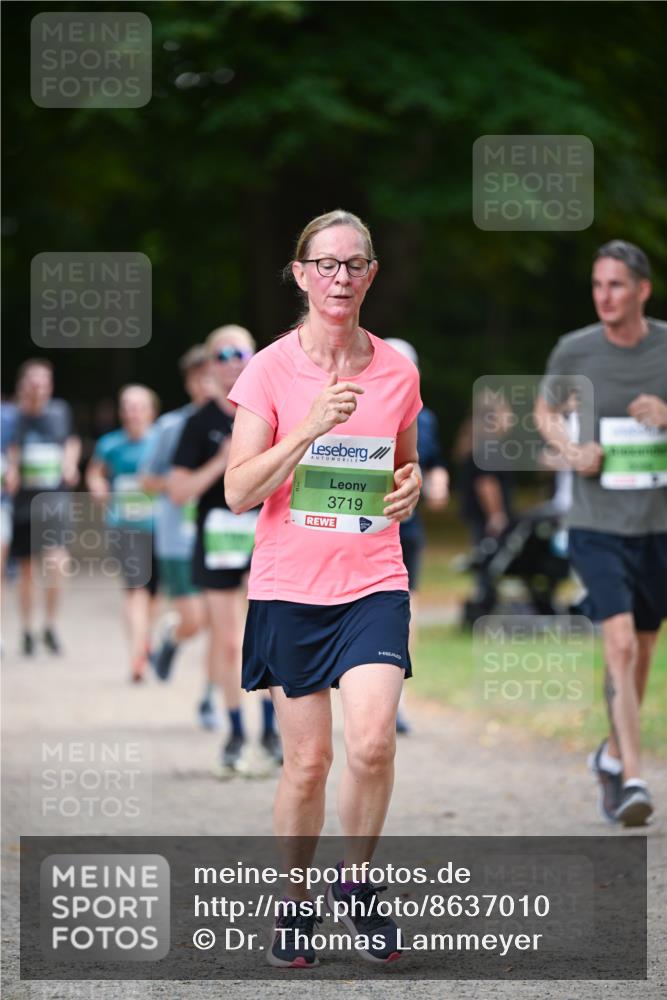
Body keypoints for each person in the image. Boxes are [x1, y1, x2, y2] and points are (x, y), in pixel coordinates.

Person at [225, 209, 423, 967]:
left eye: (353, 265)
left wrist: (406, 492)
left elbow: (401, 467)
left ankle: (358, 883)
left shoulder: (398, 372)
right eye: (325, 265)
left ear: (370, 275)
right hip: (290, 588)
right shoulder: (269, 370)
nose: (339, 278)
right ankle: (295, 900)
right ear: (301, 274)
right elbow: (239, 492)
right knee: (306, 763)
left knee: (371, 744)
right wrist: (305, 428)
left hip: (372, 580)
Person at [535, 239, 667, 827]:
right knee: (616, 644)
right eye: (597, 285)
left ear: (642, 289)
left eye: (616, 285)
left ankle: (610, 757)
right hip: (595, 524)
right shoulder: (575, 350)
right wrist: (571, 450)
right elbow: (544, 413)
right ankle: (635, 777)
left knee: (639, 654)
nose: (604, 296)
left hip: (657, 525)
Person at [169, 326, 281, 766]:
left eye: (241, 352)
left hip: (265, 535)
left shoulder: (272, 411)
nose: (233, 360)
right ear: (210, 364)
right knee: (230, 641)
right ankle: (235, 734)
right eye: (223, 354)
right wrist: (221, 461)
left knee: (269, 635)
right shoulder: (198, 423)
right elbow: (178, 491)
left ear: (254, 358)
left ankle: (272, 732)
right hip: (216, 538)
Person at [139, 347, 214, 716]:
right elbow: (147, 479)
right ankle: (172, 636)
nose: (206, 385)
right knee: (195, 621)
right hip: (177, 540)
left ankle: (210, 699)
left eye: (210, 376)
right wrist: (183, 483)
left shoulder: (231, 424)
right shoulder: (172, 426)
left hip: (217, 540)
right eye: (198, 378)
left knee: (222, 627)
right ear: (188, 383)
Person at [384, 339, 449, 733]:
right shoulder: (355, 408)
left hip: (409, 528)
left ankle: (397, 701)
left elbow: (435, 462)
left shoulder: (425, 419)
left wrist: (439, 484)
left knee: (408, 612)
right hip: (363, 531)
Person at [5, 360, 81, 654]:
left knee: (57, 564)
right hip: (24, 504)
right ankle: (26, 630)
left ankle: (51, 624)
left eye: (44, 381)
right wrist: (11, 470)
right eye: (33, 381)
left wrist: (70, 462)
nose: (38, 386)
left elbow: (71, 440)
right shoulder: (14, 418)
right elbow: (9, 449)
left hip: (55, 501)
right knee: (26, 571)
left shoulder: (60, 411)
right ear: (23, 385)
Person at [86, 385, 159, 683]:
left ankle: (145, 641)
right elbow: (94, 472)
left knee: (155, 595)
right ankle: (136, 656)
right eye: (127, 406)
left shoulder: (162, 441)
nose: (133, 412)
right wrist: (97, 486)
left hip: (159, 528)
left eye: (139, 406)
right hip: (124, 526)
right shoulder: (109, 444)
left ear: (151, 411)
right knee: (135, 590)